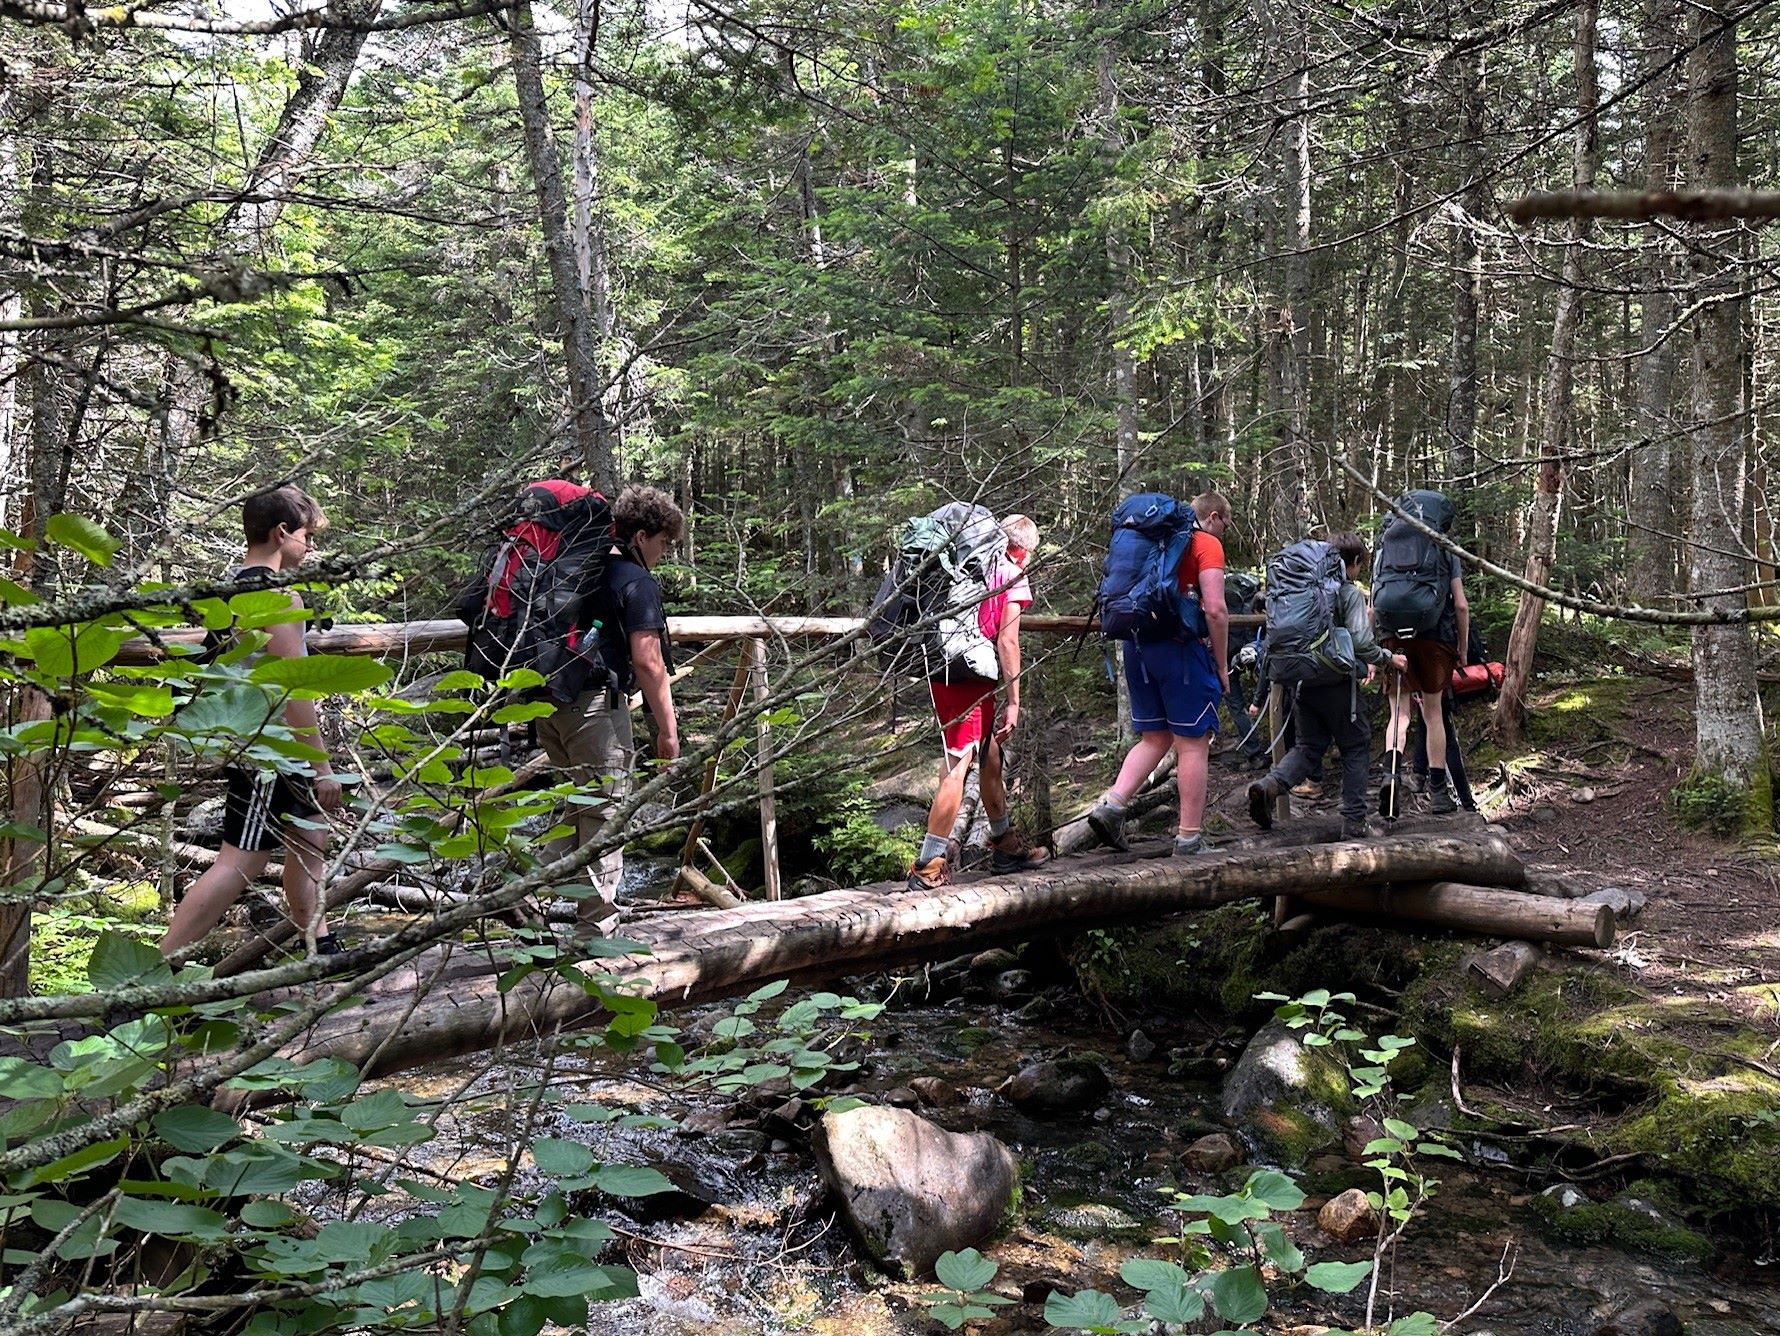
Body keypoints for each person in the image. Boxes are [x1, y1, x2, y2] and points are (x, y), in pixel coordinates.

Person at [160, 485, 344, 956]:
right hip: (269, 748)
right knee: (239, 863)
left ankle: (320, 947)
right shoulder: (275, 598)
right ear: (281, 533)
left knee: (310, 838)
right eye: (306, 536)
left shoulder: (235, 583)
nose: (311, 547)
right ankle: (154, 974)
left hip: (262, 740)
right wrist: (321, 767)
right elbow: (291, 687)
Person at [535, 483, 683, 935]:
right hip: (595, 706)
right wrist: (667, 731)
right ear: (641, 536)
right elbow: (648, 661)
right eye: (663, 542)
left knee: (577, 806)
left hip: (547, 702)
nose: (664, 552)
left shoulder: (578, 569)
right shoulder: (635, 582)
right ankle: (595, 930)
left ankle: (514, 894)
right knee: (606, 812)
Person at [906, 515, 1050, 890]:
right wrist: (1015, 702)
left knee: (988, 754)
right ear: (1023, 550)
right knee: (959, 762)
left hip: (947, 665)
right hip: (967, 675)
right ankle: (927, 865)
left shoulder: (973, 567)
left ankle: (1003, 845)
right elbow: (1007, 641)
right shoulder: (1011, 573)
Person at [1086, 491, 1233, 857]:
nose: (1225, 532)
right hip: (1179, 651)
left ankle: (1113, 806)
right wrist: (1220, 663)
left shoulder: (1151, 540)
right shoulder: (1205, 544)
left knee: (1155, 737)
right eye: (1226, 524)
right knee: (1193, 743)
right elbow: (1215, 609)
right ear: (1213, 517)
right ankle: (1189, 839)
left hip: (1136, 646)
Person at [1244, 533, 1407, 841]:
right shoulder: (1346, 592)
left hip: (1302, 681)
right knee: (1355, 746)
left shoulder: (1304, 591)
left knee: (1308, 747)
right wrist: (1388, 658)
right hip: (1337, 682)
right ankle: (1354, 822)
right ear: (1355, 562)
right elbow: (1361, 642)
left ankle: (1269, 786)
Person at [1374, 493, 1469, 818]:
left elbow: (1373, 603)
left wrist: (1375, 653)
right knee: (1432, 714)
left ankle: (1391, 779)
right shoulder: (1442, 545)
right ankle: (1439, 794)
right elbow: (1460, 605)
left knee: (1398, 715)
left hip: (1391, 639)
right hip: (1434, 637)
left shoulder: (1387, 544)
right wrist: (1463, 648)